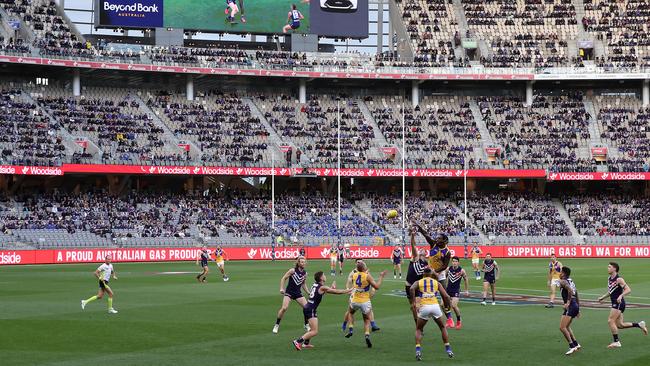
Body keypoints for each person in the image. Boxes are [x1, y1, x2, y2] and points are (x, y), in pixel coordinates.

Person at [292, 271, 353, 350]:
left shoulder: (315, 285)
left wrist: (331, 288)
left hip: (307, 307)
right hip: (311, 309)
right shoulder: (322, 287)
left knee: (311, 328)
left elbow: (321, 293)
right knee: (315, 331)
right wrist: (348, 290)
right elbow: (337, 292)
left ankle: (306, 343)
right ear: (321, 278)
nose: (325, 276)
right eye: (324, 275)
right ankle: (298, 341)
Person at [597, 262, 647, 348]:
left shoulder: (619, 279)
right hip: (615, 303)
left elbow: (628, 290)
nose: (607, 268)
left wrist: (621, 296)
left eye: (609, 267)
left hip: (619, 303)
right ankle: (639, 325)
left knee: (610, 321)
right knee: (620, 325)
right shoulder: (609, 278)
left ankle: (616, 342)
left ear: (614, 269)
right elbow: (611, 291)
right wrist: (603, 297)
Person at [409, 267, 454, 361]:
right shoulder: (436, 283)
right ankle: (448, 349)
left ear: (423, 274)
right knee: (442, 327)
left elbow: (412, 288)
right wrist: (448, 306)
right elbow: (445, 296)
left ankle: (418, 351)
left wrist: (414, 303)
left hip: (424, 307)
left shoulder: (419, 282)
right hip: (435, 306)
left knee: (419, 329)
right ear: (431, 274)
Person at [346, 261, 387, 348]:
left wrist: (363, 271)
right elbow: (377, 286)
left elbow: (358, 276)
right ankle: (367, 335)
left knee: (350, 312)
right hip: (364, 301)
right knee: (366, 320)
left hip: (355, 300)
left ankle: (350, 329)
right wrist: (381, 276)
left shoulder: (354, 275)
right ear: (365, 268)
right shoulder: (367, 276)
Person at [342, 259, 380, 333]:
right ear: (355, 263)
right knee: (349, 311)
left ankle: (373, 325)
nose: (360, 263)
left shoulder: (365, 272)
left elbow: (371, 281)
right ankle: (344, 324)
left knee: (370, 309)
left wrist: (372, 290)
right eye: (358, 262)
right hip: (354, 294)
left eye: (361, 262)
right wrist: (347, 289)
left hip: (363, 295)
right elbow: (349, 281)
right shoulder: (353, 272)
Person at [273, 256, 309, 334]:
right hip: (289, 292)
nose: (303, 263)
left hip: (298, 293)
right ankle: (276, 325)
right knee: (284, 308)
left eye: (304, 262)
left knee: (307, 308)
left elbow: (303, 284)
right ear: (298, 263)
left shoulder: (305, 273)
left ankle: (306, 324)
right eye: (302, 262)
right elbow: (283, 278)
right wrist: (281, 288)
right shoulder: (292, 270)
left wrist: (308, 292)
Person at [405, 226, 429, 323]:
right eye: (420, 249)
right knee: (413, 306)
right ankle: (417, 323)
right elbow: (413, 245)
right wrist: (412, 236)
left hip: (418, 286)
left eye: (423, 250)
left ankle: (419, 325)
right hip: (409, 285)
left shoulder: (427, 264)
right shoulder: (415, 258)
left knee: (417, 306)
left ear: (425, 253)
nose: (420, 250)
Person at [558, 266, 581, 355]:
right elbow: (576, 293)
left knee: (562, 327)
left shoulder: (563, 281)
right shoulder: (571, 281)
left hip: (571, 306)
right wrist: (578, 308)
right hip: (575, 305)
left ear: (563, 273)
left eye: (560, 272)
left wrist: (567, 302)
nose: (559, 273)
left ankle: (572, 346)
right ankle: (576, 344)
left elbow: (570, 291)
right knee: (566, 326)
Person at [444, 256, 469, 329]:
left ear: (458, 262)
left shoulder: (461, 270)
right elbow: (444, 278)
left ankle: (459, 320)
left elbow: (466, 279)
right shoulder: (448, 269)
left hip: (456, 290)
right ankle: (450, 319)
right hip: (448, 290)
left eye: (455, 261)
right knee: (442, 305)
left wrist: (466, 290)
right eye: (453, 261)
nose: (454, 263)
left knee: (454, 306)